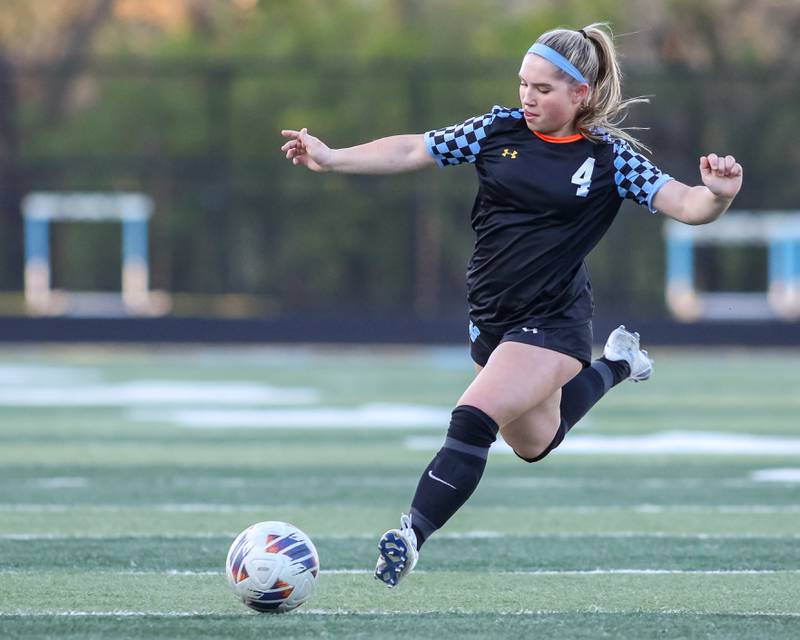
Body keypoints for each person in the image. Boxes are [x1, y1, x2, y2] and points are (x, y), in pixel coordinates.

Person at [280, 23, 743, 588]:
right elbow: (411, 149)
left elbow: (688, 205)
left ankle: (410, 533)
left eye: (543, 89)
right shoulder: (496, 130)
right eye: (524, 84)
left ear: (582, 94)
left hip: (553, 321)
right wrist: (332, 158)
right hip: (492, 318)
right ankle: (619, 364)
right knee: (533, 443)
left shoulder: (610, 160)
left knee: (472, 418)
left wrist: (717, 196)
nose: (528, 97)